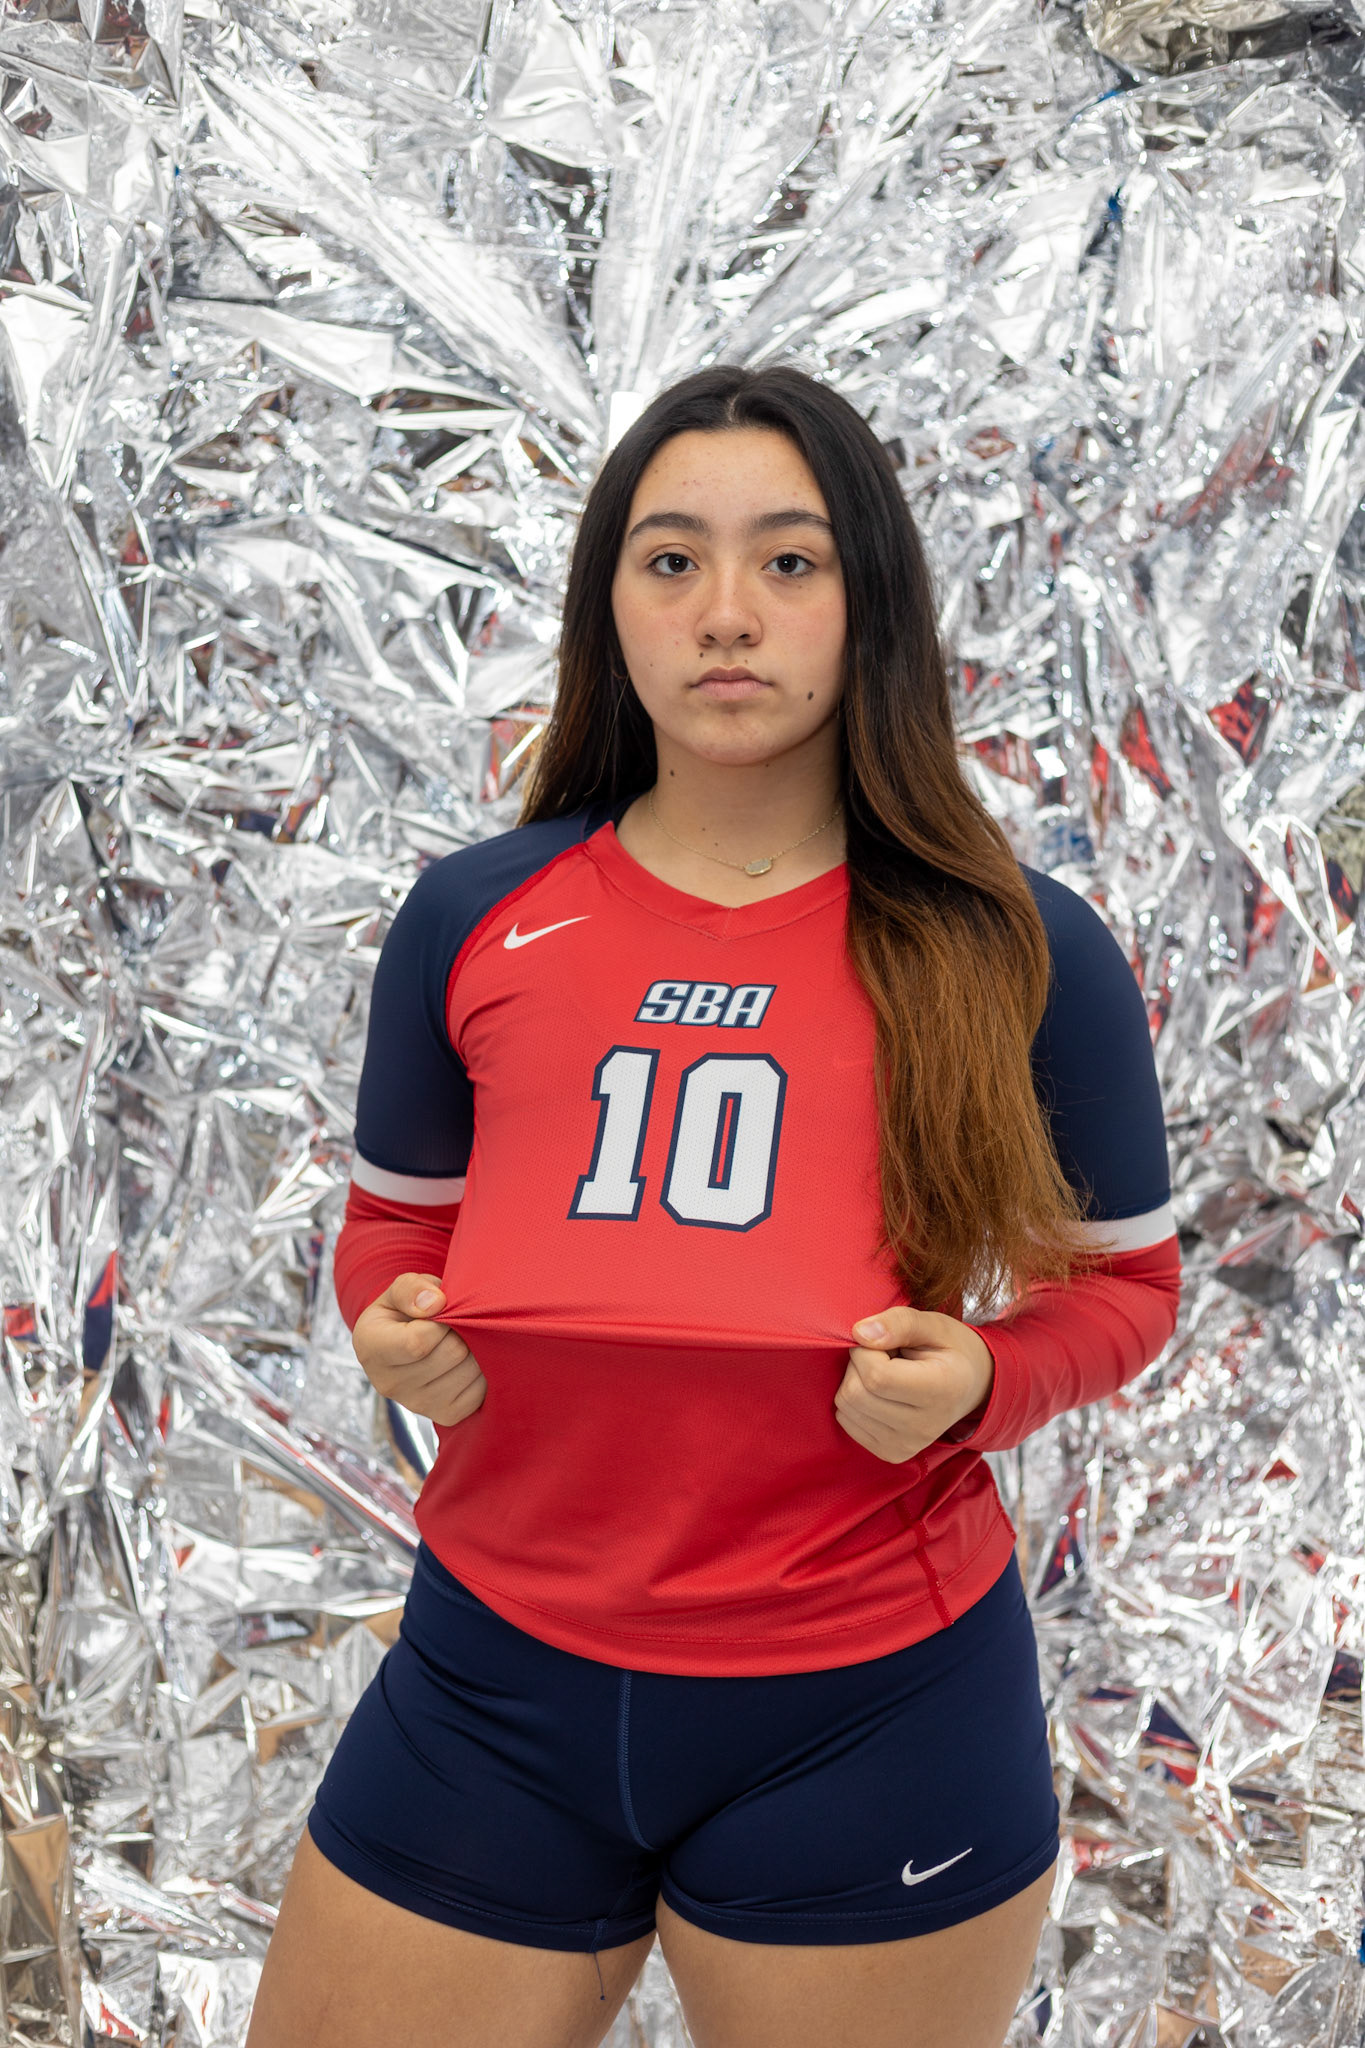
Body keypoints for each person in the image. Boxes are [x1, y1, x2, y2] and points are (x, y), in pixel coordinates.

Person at [245, 364, 1180, 2048]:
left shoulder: (1014, 943)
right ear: (609, 605)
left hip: (867, 1708)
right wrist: (396, 1331)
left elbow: (1128, 1289)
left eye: (790, 562)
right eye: (670, 561)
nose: (727, 613)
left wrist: (981, 1379)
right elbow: (396, 1230)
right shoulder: (479, 909)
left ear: (866, 602)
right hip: (491, 1683)